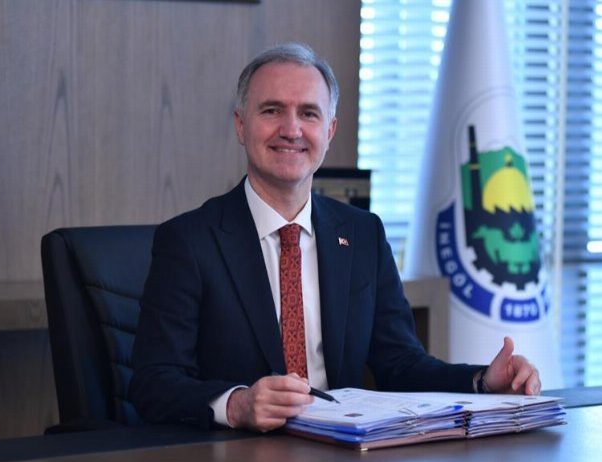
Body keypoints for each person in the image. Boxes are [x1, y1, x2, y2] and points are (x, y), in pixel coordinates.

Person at [129, 42, 541, 433]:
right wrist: (237, 404)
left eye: (309, 114)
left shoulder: (363, 234)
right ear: (241, 124)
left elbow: (401, 364)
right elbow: (153, 382)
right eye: (272, 110)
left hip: (341, 450)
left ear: (329, 130)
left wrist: (482, 381)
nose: (291, 129)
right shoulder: (189, 241)